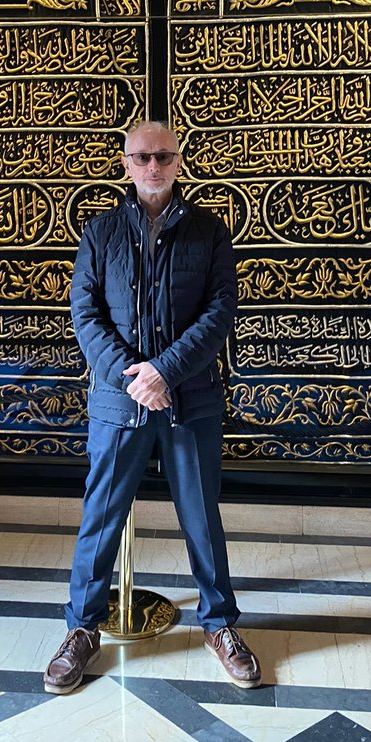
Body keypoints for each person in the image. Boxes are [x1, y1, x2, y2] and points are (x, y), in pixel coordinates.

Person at [43, 120, 262, 694]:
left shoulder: (209, 232)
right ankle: (81, 630)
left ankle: (220, 625)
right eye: (142, 157)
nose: (153, 166)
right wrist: (135, 376)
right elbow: (86, 314)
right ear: (126, 164)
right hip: (120, 403)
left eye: (163, 156)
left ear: (179, 161)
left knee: (202, 517)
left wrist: (165, 370)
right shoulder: (101, 232)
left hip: (191, 399)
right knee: (100, 518)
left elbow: (219, 313)